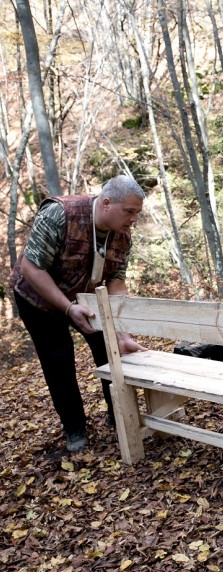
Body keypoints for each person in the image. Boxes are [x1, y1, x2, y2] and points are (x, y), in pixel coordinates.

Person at [10, 175, 147, 453]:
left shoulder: (122, 234)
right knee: (59, 360)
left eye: (137, 213)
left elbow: (116, 283)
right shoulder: (60, 215)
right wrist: (68, 308)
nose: (134, 219)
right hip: (38, 299)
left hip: (86, 297)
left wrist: (121, 333)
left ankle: (117, 414)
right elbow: (31, 268)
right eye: (130, 212)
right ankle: (75, 428)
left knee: (110, 350)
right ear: (107, 203)